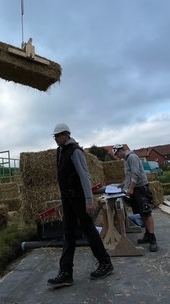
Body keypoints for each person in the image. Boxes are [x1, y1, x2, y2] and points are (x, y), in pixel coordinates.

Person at [47, 123, 114, 288]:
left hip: (79, 199)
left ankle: (105, 263)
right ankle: (66, 273)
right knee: (68, 234)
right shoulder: (61, 151)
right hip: (68, 199)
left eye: (57, 136)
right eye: (54, 136)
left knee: (89, 231)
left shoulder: (75, 151)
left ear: (66, 135)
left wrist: (89, 201)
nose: (55, 139)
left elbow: (85, 177)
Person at [112, 144, 158, 252]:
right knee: (141, 213)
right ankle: (147, 234)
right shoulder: (125, 159)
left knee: (146, 213)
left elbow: (135, 174)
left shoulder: (132, 157)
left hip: (140, 188)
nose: (117, 157)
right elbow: (129, 175)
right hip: (135, 189)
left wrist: (131, 188)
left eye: (116, 154)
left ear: (120, 151)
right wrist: (123, 184)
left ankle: (153, 239)